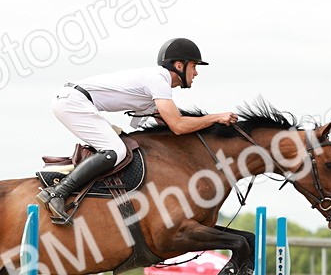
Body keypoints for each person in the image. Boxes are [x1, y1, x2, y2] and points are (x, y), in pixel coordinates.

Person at [37, 38, 239, 224]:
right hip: (73, 102)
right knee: (116, 150)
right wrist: (215, 117)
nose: (196, 73)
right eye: (194, 66)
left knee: (117, 147)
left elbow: (170, 124)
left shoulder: (157, 85)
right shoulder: (159, 80)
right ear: (179, 65)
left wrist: (214, 128)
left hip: (73, 101)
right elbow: (178, 126)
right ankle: (57, 193)